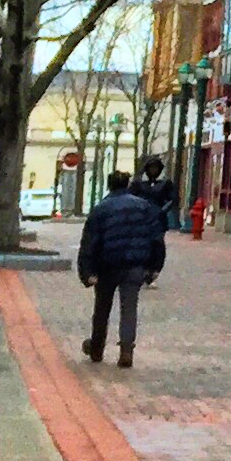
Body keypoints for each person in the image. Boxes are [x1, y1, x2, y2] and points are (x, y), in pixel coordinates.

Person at [75, 154, 170, 369]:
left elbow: (89, 243)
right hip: (135, 265)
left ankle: (97, 347)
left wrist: (87, 272)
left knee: (102, 308)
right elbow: (156, 238)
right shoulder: (144, 207)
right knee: (129, 307)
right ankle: (126, 349)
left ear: (109, 186)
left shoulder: (101, 209)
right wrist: (155, 266)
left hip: (107, 265)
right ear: (127, 185)